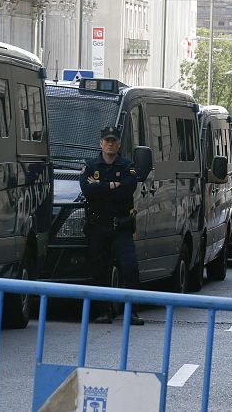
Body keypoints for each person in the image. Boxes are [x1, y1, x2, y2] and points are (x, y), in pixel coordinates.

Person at [80, 126, 143, 325]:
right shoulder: (90, 166)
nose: (110, 143)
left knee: (130, 268)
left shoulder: (127, 166)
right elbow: (87, 190)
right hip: (98, 226)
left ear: (119, 144)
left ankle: (131, 312)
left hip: (121, 226)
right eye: (107, 140)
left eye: (113, 140)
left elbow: (127, 189)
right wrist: (112, 186)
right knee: (99, 270)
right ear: (100, 143)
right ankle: (103, 311)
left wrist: (101, 187)